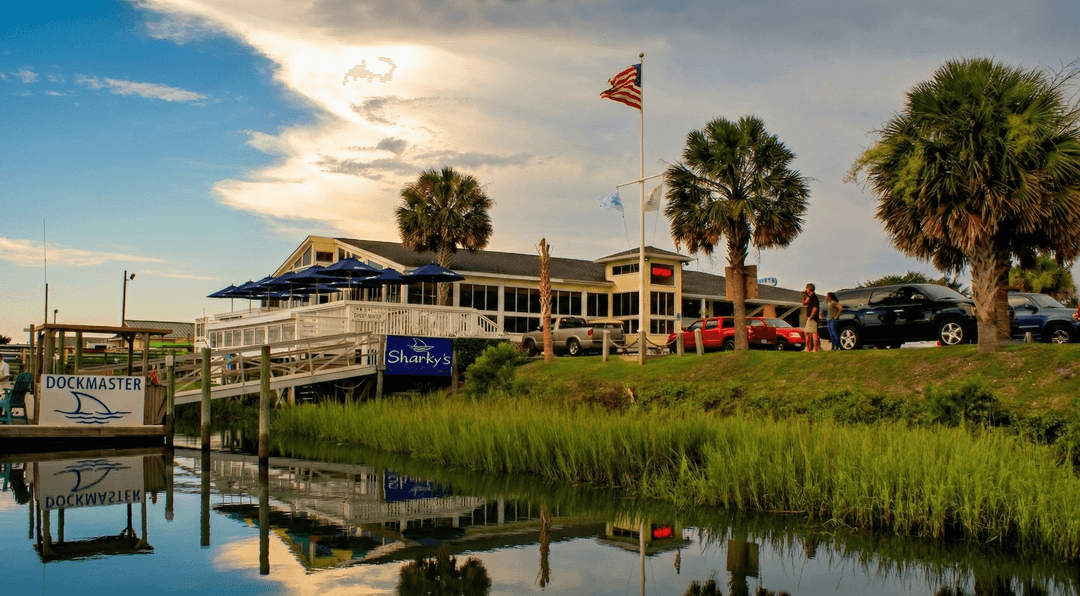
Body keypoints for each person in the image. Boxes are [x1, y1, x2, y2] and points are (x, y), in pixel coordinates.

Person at [803, 283, 821, 352]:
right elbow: (804, 303)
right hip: (810, 318)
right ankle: (807, 348)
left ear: (809, 289)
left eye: (806, 288)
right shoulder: (810, 297)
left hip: (812, 318)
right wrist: (804, 295)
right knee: (807, 332)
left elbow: (815, 308)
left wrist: (811, 317)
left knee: (814, 332)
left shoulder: (814, 297)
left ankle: (815, 348)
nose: (806, 289)